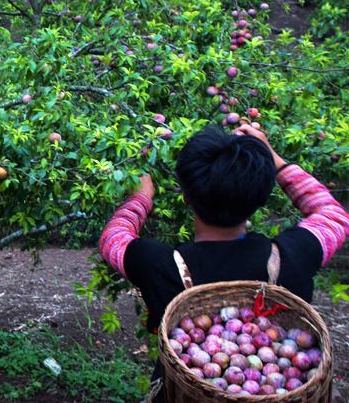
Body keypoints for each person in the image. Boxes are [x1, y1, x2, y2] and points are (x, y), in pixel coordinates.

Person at [99, 124, 349, 401]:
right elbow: (332, 215)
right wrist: (275, 162)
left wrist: (142, 197)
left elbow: (113, 238)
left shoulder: (158, 264)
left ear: (186, 199)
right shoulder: (295, 255)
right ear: (262, 197)